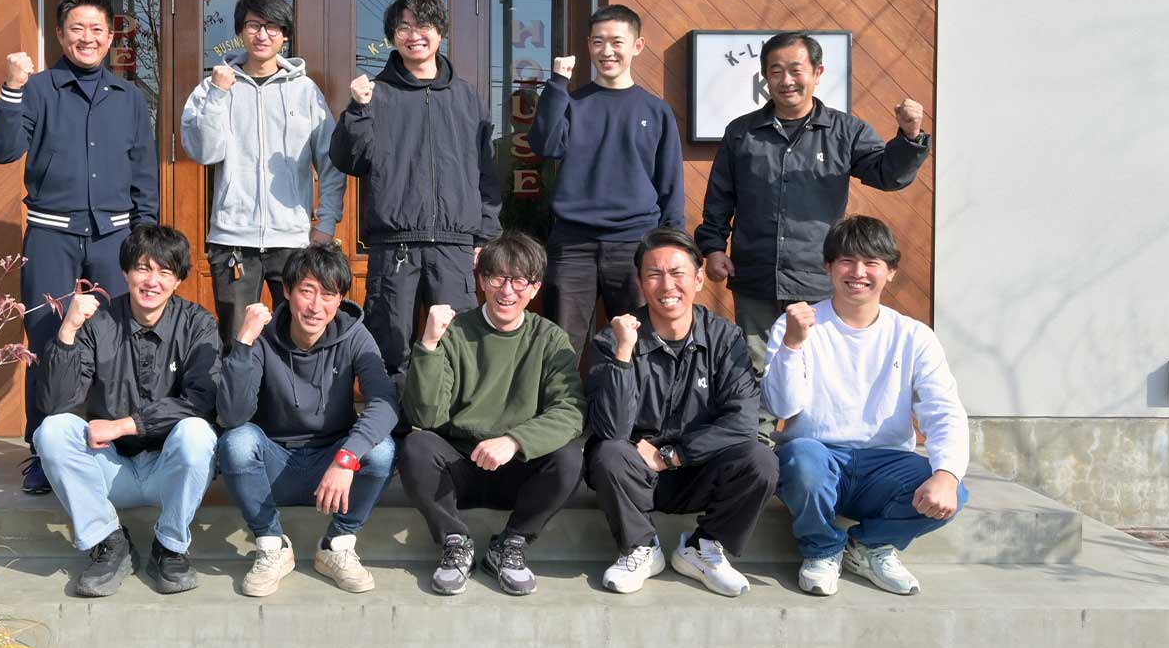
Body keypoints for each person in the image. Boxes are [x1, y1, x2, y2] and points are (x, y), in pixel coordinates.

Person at [693, 31, 930, 435]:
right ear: (765, 77)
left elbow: (887, 175)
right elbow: (720, 197)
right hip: (756, 276)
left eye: (796, 70)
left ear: (817, 73)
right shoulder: (742, 133)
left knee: (819, 369)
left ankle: (813, 450)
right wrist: (713, 247)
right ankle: (758, 454)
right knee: (755, 369)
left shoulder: (844, 130)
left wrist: (909, 138)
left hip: (820, 281)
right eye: (776, 71)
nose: (786, 80)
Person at [0, 0, 159, 495]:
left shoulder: (129, 97)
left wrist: (144, 239)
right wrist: (12, 87)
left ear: (110, 37)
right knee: (47, 340)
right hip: (50, 236)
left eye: (97, 30)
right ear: (61, 36)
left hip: (114, 238)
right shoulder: (37, 89)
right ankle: (45, 452)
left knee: (120, 340)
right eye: (77, 29)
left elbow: (143, 171)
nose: (88, 38)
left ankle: (118, 442)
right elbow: (3, 150)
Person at [763, 215, 968, 597]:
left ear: (890, 272)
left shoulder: (913, 336)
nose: (858, 273)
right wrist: (793, 344)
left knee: (953, 488)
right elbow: (782, 407)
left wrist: (947, 474)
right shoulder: (797, 324)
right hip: (818, 459)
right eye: (847, 261)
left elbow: (943, 411)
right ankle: (822, 549)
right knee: (801, 458)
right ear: (828, 267)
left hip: (884, 465)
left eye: (871, 262)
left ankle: (868, 545)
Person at [584, 228, 778, 597]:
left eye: (677, 273)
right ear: (640, 281)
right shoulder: (613, 339)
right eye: (654, 274)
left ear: (699, 278)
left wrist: (674, 455)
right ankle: (640, 547)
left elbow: (743, 421)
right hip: (636, 476)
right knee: (608, 453)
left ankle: (704, 547)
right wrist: (624, 354)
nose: (666, 285)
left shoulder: (725, 337)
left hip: (699, 469)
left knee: (760, 459)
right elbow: (611, 428)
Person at [31, 225, 219, 598]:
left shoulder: (198, 324)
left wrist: (124, 425)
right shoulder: (98, 323)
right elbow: (55, 405)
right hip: (110, 470)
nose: (152, 281)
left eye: (164, 271)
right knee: (51, 431)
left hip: (170, 471)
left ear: (178, 280)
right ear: (125, 272)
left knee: (198, 432)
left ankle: (170, 547)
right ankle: (110, 542)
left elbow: (201, 400)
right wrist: (68, 329)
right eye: (142, 268)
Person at [329, 0, 502, 382]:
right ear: (392, 36)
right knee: (390, 347)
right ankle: (390, 419)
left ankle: (452, 420)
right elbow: (349, 161)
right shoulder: (376, 94)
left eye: (422, 25)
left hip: (455, 246)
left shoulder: (467, 98)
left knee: (458, 346)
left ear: (440, 31)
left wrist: (486, 236)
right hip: (395, 246)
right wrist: (357, 110)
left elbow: (486, 174)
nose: (413, 35)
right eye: (403, 27)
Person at [397, 231, 584, 597]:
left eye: (519, 281)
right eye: (497, 278)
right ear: (481, 281)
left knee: (569, 458)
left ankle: (512, 544)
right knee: (417, 446)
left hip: (519, 470)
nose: (507, 290)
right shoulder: (455, 332)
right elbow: (426, 416)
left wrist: (515, 441)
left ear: (535, 287)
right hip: (459, 468)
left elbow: (571, 410)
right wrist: (429, 344)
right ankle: (455, 541)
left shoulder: (549, 338)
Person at [214, 242, 398, 597]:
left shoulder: (354, 335)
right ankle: (271, 545)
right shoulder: (263, 336)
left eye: (328, 294)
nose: (316, 306)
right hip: (274, 464)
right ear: (287, 291)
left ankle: (337, 545)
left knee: (382, 450)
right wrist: (244, 342)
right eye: (307, 291)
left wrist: (346, 458)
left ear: (340, 298)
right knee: (237, 442)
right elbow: (233, 415)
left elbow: (385, 403)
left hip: (331, 467)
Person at [180, 0, 345, 344]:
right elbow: (205, 152)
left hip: (293, 240)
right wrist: (218, 95)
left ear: (285, 35)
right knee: (237, 339)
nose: (262, 34)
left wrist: (327, 221)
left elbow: (331, 160)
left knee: (299, 337)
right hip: (233, 241)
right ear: (240, 30)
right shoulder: (213, 87)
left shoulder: (305, 90)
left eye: (273, 27)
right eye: (254, 25)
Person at [528, 4, 685, 354]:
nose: (607, 51)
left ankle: (631, 395)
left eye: (617, 42)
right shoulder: (571, 103)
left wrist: (674, 247)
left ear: (637, 46)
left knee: (641, 345)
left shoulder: (655, 111)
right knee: (560, 346)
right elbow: (545, 145)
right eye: (598, 42)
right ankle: (563, 395)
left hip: (635, 243)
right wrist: (557, 83)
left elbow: (671, 184)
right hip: (572, 245)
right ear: (588, 45)